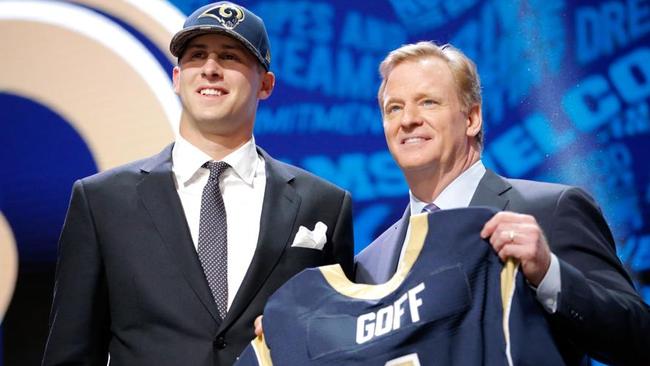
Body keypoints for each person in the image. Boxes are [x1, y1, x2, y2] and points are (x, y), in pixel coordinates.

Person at [41, 2, 354, 365]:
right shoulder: (101, 202)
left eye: (230, 57)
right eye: (197, 55)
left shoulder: (324, 205)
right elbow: (72, 354)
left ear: (265, 85)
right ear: (176, 78)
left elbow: (339, 348)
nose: (210, 69)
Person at [354, 41, 650, 365]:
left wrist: (548, 272)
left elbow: (638, 336)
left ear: (472, 118)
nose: (408, 119)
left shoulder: (552, 210)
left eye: (428, 102)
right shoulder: (370, 264)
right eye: (393, 108)